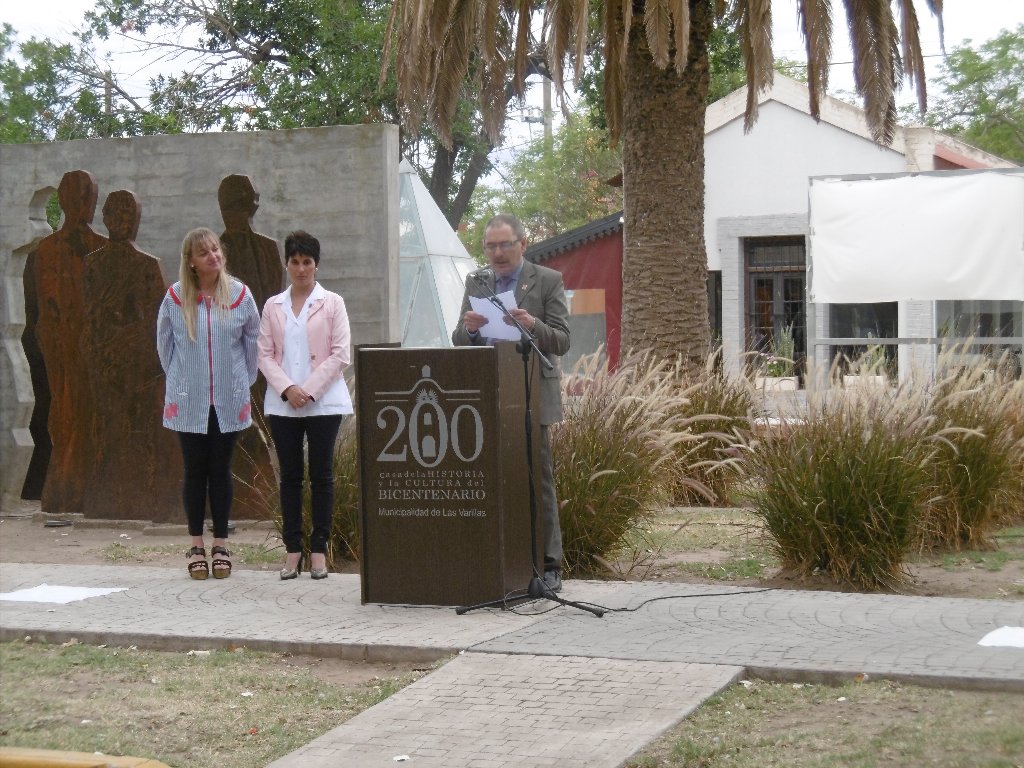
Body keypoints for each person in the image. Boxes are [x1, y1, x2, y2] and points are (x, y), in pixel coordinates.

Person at [452, 213, 571, 593]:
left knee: (539, 478)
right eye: (490, 246)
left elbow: (563, 340)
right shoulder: (478, 281)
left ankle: (549, 564)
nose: (498, 253)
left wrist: (532, 324)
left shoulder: (547, 280)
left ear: (522, 243)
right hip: (488, 394)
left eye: (505, 244)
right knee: (490, 478)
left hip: (532, 392)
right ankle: (496, 558)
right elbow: (458, 337)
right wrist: (470, 329)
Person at [157, 228, 260, 580]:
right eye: (204, 253)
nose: (213, 256)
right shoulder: (174, 298)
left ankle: (221, 544)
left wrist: (239, 384)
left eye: (215, 249)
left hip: (228, 400)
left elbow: (252, 344)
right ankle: (196, 544)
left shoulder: (241, 295)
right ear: (191, 261)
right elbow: (165, 348)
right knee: (194, 471)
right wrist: (182, 382)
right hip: (189, 401)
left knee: (221, 470)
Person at [257, 231, 353, 580]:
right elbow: (264, 355)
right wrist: (288, 389)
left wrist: (308, 390)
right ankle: (293, 550)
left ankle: (318, 551)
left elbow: (341, 353)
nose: (301, 269)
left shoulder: (333, 302)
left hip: (324, 402)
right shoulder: (272, 306)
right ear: (286, 263)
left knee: (322, 476)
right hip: (283, 404)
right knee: (291, 477)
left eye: (307, 262)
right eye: (295, 262)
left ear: (316, 264)